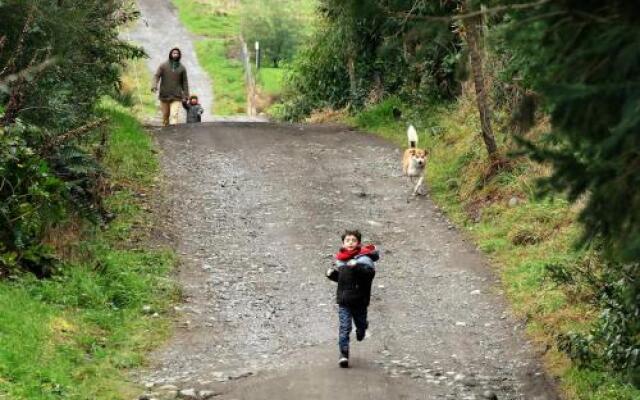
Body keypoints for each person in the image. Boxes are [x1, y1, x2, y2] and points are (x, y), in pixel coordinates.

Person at [326, 229, 379, 368]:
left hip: (360, 300)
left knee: (360, 326)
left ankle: (362, 328)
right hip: (344, 300)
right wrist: (332, 275)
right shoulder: (341, 260)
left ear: (358, 243)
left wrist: (356, 267)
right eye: (347, 240)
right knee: (345, 327)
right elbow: (343, 279)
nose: (350, 243)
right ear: (343, 243)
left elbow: (368, 276)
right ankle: (343, 355)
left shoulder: (364, 259)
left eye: (353, 240)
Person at [151, 47, 189, 127]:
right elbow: (156, 76)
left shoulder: (182, 68)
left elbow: (185, 82)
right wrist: (154, 85)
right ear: (170, 54)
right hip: (164, 95)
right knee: (165, 115)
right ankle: (166, 131)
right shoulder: (163, 66)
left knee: (174, 115)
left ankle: (173, 132)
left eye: (177, 53)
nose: (175, 55)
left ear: (179, 55)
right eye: (174, 53)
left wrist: (186, 95)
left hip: (177, 96)